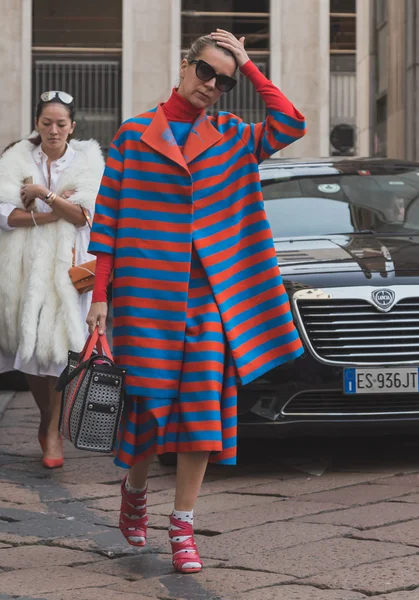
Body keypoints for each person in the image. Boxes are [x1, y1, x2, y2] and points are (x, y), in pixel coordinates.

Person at [86, 30, 306, 574]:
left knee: (204, 403)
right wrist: (99, 298)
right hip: (145, 294)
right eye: (206, 72)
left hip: (212, 296)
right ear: (184, 66)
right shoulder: (134, 136)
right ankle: (134, 491)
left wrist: (251, 67)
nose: (212, 86)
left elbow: (291, 122)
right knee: (147, 407)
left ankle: (182, 525)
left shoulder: (233, 135)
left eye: (224, 82)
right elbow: (109, 223)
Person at [0, 91, 104, 468]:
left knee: (61, 353)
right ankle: (45, 416)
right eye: (46, 123)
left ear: (72, 126)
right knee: (28, 348)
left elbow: (85, 214)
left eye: (61, 124)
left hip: (68, 267)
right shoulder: (16, 158)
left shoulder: (88, 162)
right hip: (22, 266)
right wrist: (56, 209)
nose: (53, 130)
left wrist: (41, 195)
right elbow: (3, 214)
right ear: (36, 124)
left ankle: (53, 428)